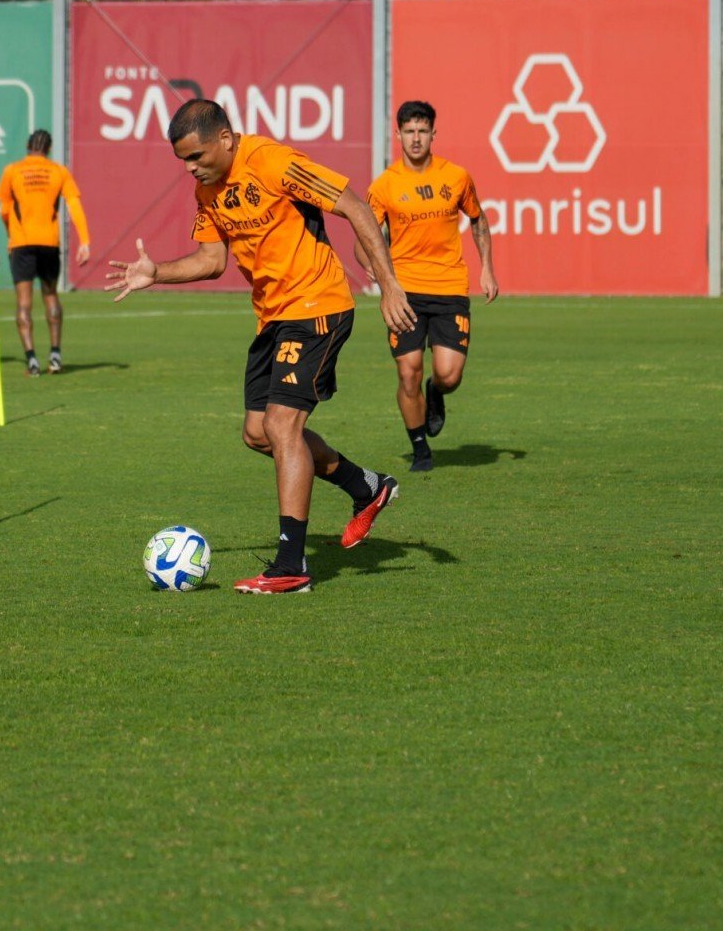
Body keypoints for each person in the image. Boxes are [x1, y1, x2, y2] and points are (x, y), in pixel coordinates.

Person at [108, 99, 416, 595]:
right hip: (273, 318)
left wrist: (390, 285)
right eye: (183, 160)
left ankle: (290, 566)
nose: (190, 167)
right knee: (258, 434)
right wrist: (157, 272)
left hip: (317, 306)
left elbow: (354, 206)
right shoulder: (206, 189)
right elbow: (211, 261)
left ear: (226, 139)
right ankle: (367, 487)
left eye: (197, 155)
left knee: (282, 424)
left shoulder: (273, 163)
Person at [360, 100, 499, 472]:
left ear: (433, 134)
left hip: (450, 288)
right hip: (404, 293)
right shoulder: (385, 185)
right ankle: (420, 448)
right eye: (409, 131)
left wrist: (487, 268)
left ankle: (436, 393)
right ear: (399, 135)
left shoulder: (456, 176)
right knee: (408, 372)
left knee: (449, 375)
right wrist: (376, 268)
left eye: (423, 131)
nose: (416, 138)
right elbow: (364, 238)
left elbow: (478, 219)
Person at [0, 129, 91, 376]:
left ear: (28, 146)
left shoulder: (12, 171)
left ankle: (31, 360)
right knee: (50, 296)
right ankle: (56, 355)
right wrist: (85, 241)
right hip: (49, 243)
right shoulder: (58, 171)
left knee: (24, 303)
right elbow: (74, 205)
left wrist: (11, 232)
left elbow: (5, 210)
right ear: (48, 149)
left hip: (21, 244)